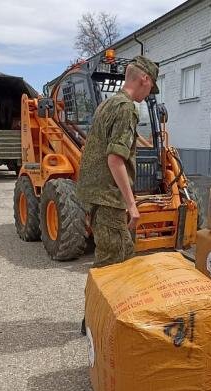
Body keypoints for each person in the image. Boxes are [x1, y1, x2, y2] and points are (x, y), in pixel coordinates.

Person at [76, 55, 159, 268]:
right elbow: (115, 159)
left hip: (97, 194)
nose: (149, 93)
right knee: (115, 264)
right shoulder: (126, 108)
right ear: (144, 79)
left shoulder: (107, 104)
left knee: (117, 257)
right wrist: (132, 205)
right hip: (108, 197)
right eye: (151, 87)